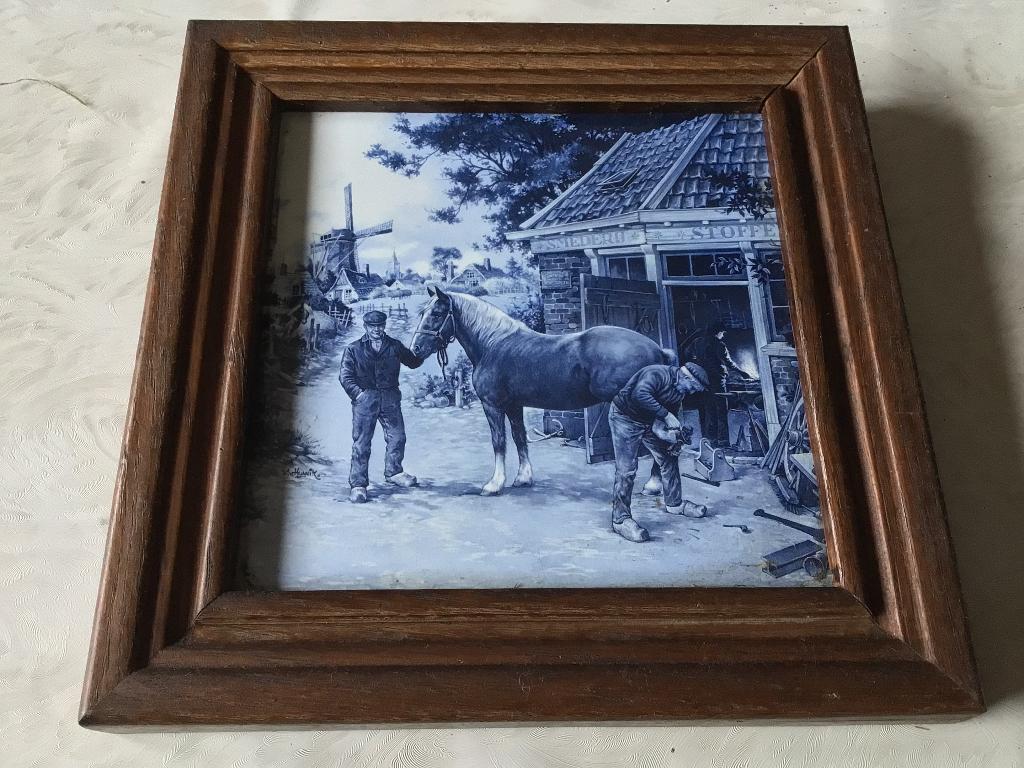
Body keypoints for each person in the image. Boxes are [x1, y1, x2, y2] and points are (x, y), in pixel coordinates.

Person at [607, 362, 710, 543]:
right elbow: (640, 395)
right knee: (627, 469)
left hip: (649, 421)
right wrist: (666, 415)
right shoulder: (657, 373)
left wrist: (669, 436)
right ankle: (620, 519)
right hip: (625, 418)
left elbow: (662, 421)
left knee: (668, 458)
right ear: (686, 377)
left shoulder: (680, 392)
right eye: (693, 387)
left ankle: (674, 504)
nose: (692, 392)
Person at [339, 310, 424, 503]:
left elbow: (412, 362)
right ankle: (359, 485)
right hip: (365, 399)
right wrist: (359, 394)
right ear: (366, 327)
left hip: (390, 398)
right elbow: (345, 376)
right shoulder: (353, 349)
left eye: (380, 326)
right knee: (362, 443)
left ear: (384, 326)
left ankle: (394, 472)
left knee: (398, 437)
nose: (377, 330)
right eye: (372, 326)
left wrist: (423, 350)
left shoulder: (394, 346)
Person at [695, 322, 756, 447]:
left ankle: (711, 441)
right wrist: (742, 373)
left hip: (703, 380)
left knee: (709, 410)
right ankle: (723, 441)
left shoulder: (697, 342)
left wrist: (701, 364)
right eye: (722, 333)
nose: (723, 335)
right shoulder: (719, 344)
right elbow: (728, 362)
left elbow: (688, 353)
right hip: (717, 380)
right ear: (718, 332)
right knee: (721, 410)